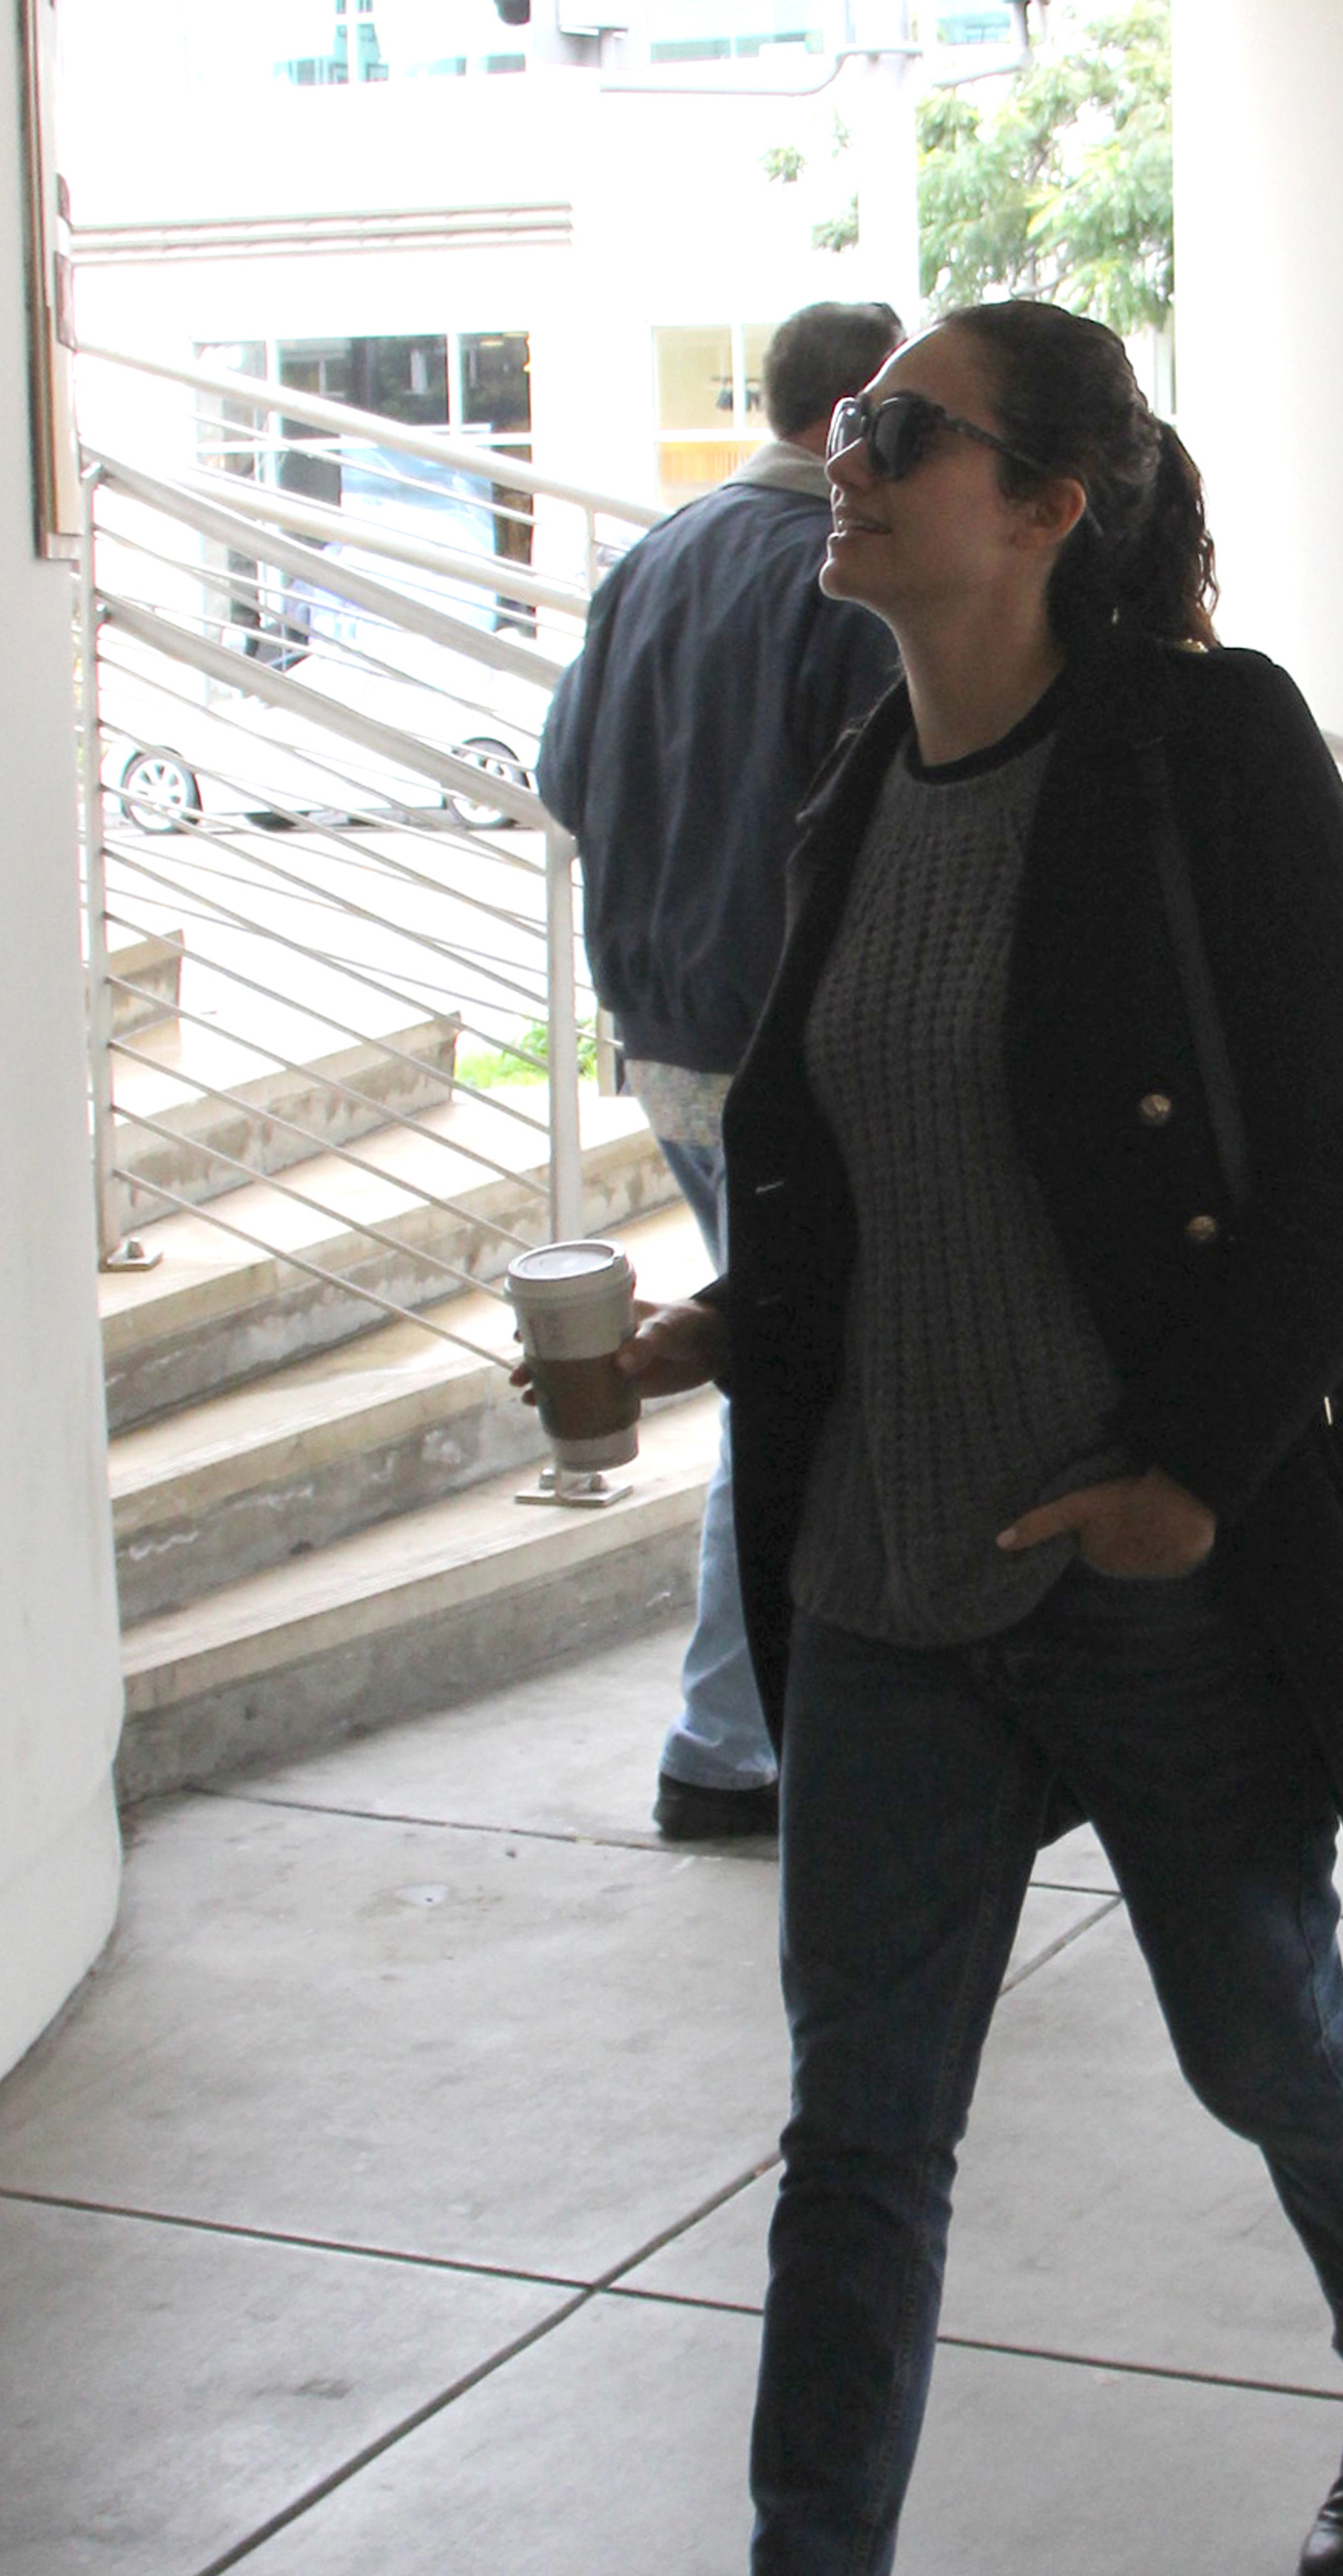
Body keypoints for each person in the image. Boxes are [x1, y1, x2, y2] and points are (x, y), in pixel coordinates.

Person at [540, 301, 1343, 2576]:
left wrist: (1188, 1477)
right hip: (881, 1579)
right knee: (859, 2137)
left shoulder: (1208, 749)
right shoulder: (860, 778)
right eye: (853, 427)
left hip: (1137, 1573)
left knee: (1254, 2031)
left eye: (901, 435)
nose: (844, 464)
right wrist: (715, 1326)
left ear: (1050, 506)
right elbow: (855, 1184)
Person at [535, 297, 902, 1843]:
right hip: (786, 1049)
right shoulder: (841, 576)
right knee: (797, 1372)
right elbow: (887, 828)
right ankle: (730, 1740)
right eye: (901, 420)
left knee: (785, 1353)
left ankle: (747, 1733)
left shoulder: (657, 556)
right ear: (851, 415)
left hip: (668, 1032)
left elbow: (562, 776)